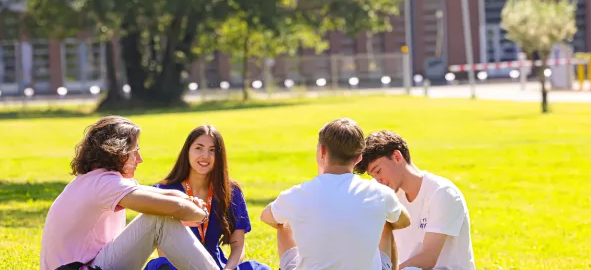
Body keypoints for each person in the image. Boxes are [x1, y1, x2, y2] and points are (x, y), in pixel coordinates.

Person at [39, 116, 219, 270]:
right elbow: (175, 207)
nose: (140, 160)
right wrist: (201, 213)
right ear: (118, 152)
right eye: (135, 152)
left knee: (159, 217)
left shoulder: (97, 180)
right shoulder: (105, 184)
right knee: (157, 221)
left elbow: (166, 195)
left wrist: (188, 200)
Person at [260, 118, 411, 270]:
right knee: (386, 221)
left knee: (283, 223)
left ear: (323, 151)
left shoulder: (297, 194)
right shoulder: (380, 193)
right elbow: (404, 220)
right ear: (359, 158)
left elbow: (266, 217)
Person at [144, 125, 269, 270]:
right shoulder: (164, 191)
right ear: (187, 151)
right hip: (178, 266)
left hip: (217, 266)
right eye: (199, 148)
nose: (205, 155)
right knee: (159, 266)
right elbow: (163, 251)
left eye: (212, 150)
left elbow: (238, 245)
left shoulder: (231, 191)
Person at [354, 130, 475, 270]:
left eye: (378, 171)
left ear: (397, 157)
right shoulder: (386, 195)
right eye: (373, 176)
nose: (377, 181)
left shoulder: (442, 192)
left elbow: (428, 259)